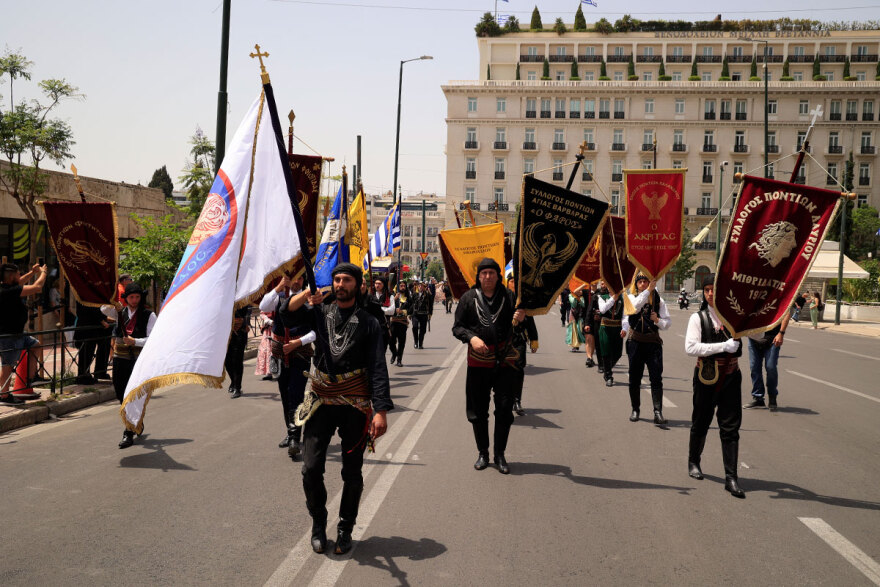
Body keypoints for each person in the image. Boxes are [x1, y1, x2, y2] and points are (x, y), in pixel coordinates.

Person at [286, 263, 392, 555]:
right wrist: (308, 292)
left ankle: (345, 527)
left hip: (354, 403)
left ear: (357, 285)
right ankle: (319, 523)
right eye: (336, 279)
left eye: (346, 279)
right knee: (310, 468)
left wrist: (380, 410)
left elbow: (377, 367)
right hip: (320, 399)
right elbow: (286, 313)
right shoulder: (319, 313)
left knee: (352, 471)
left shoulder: (369, 322)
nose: (340, 283)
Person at [452, 258, 525, 475]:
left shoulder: (510, 297)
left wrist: (522, 318)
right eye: (483, 273)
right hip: (478, 362)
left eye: (492, 273)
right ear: (478, 276)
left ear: (498, 275)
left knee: (504, 409)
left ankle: (500, 454)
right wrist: (471, 338)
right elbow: (457, 327)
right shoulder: (468, 298)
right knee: (478, 410)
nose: (487, 277)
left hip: (505, 362)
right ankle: (483, 453)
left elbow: (522, 329)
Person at [684, 275, 745, 498]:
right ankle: (694, 461)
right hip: (706, 375)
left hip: (731, 375)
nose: (710, 293)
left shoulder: (735, 317)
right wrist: (723, 346)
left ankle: (731, 477)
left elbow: (756, 334)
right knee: (701, 420)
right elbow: (690, 348)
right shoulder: (697, 318)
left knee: (730, 427)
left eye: (714, 289)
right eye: (707, 289)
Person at [260, 275, 316, 454]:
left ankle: (294, 438)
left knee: (296, 393)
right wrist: (278, 288)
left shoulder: (309, 298)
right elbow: (263, 307)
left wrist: (298, 342)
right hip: (279, 353)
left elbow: (317, 330)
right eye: (293, 278)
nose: (297, 281)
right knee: (285, 394)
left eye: (301, 277)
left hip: (301, 352)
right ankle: (291, 432)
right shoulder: (279, 295)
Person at [621, 276, 671, 426]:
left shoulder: (658, 300)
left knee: (656, 378)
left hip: (653, 343)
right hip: (635, 342)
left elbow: (667, 323)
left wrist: (658, 320)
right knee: (634, 378)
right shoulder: (630, 297)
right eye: (640, 282)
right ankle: (635, 409)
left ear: (650, 282)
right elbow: (635, 308)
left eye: (645, 282)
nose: (643, 284)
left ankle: (658, 412)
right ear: (636, 284)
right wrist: (648, 291)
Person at [112, 283, 157, 448]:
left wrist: (135, 341)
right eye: (131, 297)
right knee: (120, 392)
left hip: (137, 360)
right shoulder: (118, 311)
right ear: (126, 298)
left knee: (132, 394)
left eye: (137, 297)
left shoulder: (148, 315)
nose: (134, 300)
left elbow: (153, 339)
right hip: (119, 358)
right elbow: (102, 308)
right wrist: (112, 299)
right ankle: (136, 420)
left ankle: (128, 431)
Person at [0, 263, 47, 405]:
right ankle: (3, 395)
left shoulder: (7, 287)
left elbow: (20, 282)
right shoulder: (7, 291)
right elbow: (37, 288)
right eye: (18, 274)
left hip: (19, 334)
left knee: (35, 346)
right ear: (11, 276)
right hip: (10, 335)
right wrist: (43, 273)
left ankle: (30, 377)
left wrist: (32, 273)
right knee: (7, 366)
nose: (20, 276)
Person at [745, 309, 791, 411]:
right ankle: (758, 398)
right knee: (754, 368)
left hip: (773, 338)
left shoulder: (777, 294)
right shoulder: (753, 294)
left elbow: (786, 313)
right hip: (754, 337)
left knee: (771, 367)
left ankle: (772, 396)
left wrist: (781, 333)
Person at [508, 276, 538, 417]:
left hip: (518, 340)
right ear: (507, 283)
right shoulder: (500, 297)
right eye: (512, 281)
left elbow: (530, 320)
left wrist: (534, 339)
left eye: (516, 281)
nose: (514, 284)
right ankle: (505, 399)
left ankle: (517, 400)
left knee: (518, 370)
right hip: (503, 341)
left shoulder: (522, 300)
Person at [595, 285, 624, 387]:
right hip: (605, 327)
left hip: (617, 327)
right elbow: (602, 310)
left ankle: (607, 368)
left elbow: (625, 315)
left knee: (618, 353)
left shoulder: (623, 298)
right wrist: (613, 298)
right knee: (606, 352)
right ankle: (608, 376)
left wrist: (624, 328)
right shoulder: (602, 297)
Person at [225, 305, 250, 398]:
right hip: (226, 332)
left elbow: (245, 312)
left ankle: (237, 388)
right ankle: (233, 381)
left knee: (237, 361)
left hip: (240, 332)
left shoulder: (242, 298)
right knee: (227, 362)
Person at [389, 281, 411, 366]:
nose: (402, 287)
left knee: (401, 342)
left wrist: (403, 311)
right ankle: (394, 353)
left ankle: (399, 360)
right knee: (391, 342)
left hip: (402, 323)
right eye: (401, 286)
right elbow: (387, 306)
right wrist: (394, 300)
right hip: (393, 322)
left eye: (404, 286)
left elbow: (411, 309)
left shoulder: (408, 298)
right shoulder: (392, 296)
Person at [411, 281, 431, 349]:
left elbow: (430, 305)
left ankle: (420, 343)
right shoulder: (414, 294)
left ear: (424, 287)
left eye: (422, 286)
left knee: (423, 330)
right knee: (415, 327)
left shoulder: (427, 295)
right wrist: (409, 313)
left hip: (424, 314)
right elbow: (411, 304)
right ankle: (416, 342)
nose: (420, 287)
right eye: (419, 286)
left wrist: (430, 314)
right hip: (415, 314)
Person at [565, 286, 586, 352]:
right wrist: (576, 297)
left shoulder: (582, 297)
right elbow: (573, 304)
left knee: (579, 329)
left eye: (580, 291)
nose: (579, 292)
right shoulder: (570, 296)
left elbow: (583, 305)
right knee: (573, 330)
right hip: (572, 315)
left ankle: (578, 343)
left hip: (580, 315)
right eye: (578, 291)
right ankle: (574, 346)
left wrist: (579, 299)